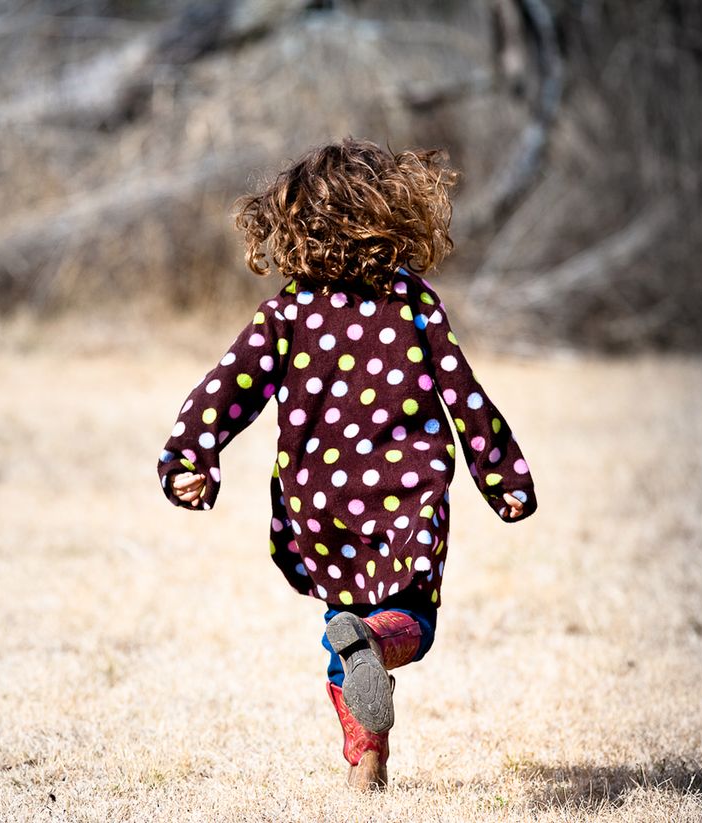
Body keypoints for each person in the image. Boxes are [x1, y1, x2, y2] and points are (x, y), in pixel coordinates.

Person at [155, 138, 538, 790]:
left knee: (344, 623)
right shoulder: (414, 305)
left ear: (294, 225)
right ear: (391, 216)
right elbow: (463, 392)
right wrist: (502, 473)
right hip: (407, 494)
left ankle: (368, 765)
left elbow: (227, 387)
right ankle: (378, 648)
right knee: (407, 617)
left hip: (321, 502)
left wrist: (192, 455)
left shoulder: (288, 312)